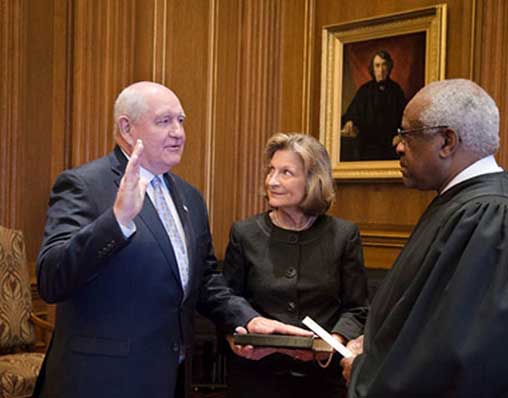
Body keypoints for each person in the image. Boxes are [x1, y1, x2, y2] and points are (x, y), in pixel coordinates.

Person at [33, 82, 309, 398]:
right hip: (98, 383)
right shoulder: (83, 185)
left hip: (169, 380)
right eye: (164, 121)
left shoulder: (189, 196)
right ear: (126, 127)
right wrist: (117, 221)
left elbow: (205, 281)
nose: (178, 132)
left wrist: (248, 318)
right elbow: (51, 279)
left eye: (181, 121)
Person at [341, 79, 508, 397]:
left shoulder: (492, 220)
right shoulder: (462, 204)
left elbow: (459, 361)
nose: (398, 145)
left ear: (447, 141)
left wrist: (367, 372)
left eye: (407, 134)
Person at [222, 133, 369, 398]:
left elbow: (357, 308)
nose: (272, 181)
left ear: (313, 180)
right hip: (257, 379)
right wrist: (236, 338)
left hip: (322, 381)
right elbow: (229, 300)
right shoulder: (244, 233)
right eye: (271, 171)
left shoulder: (344, 235)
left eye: (286, 172)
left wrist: (331, 344)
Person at [341, 50, 407, 161]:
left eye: (384, 65)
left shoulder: (396, 90)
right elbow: (352, 113)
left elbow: (405, 117)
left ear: (389, 67)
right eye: (377, 66)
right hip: (367, 145)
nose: (381, 70)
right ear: (373, 68)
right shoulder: (364, 90)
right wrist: (350, 122)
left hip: (390, 144)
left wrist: (400, 135)